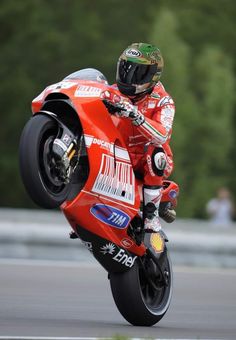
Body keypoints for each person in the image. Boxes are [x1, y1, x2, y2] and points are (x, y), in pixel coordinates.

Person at [102, 42, 176, 233]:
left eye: (137, 74)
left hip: (149, 161)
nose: (129, 78)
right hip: (120, 156)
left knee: (156, 152)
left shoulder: (163, 101)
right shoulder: (112, 92)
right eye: (126, 70)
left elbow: (162, 135)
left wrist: (135, 115)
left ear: (152, 76)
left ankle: (151, 217)